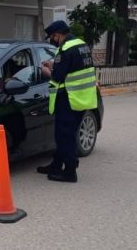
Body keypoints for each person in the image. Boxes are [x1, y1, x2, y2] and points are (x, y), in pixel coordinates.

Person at [38, 20, 98, 182]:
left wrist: (47, 71)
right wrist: (54, 65)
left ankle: (70, 171)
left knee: (64, 135)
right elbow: (73, 68)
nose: (53, 40)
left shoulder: (65, 49)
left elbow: (58, 77)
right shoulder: (82, 45)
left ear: (57, 35)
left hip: (68, 98)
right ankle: (56, 165)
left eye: (52, 37)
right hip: (81, 98)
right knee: (68, 133)